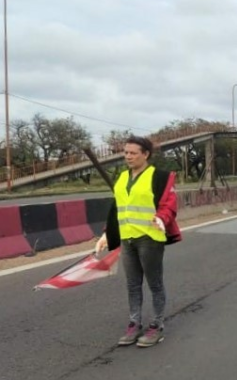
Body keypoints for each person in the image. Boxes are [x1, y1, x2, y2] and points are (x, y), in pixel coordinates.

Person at [95, 135, 181, 348]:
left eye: (133, 153)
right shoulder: (122, 178)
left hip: (149, 238)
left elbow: (168, 205)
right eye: (126, 153)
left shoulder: (158, 177)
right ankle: (134, 323)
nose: (128, 156)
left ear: (146, 155)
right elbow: (118, 209)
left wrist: (162, 219)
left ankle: (157, 325)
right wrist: (107, 234)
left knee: (154, 283)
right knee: (132, 284)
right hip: (127, 238)